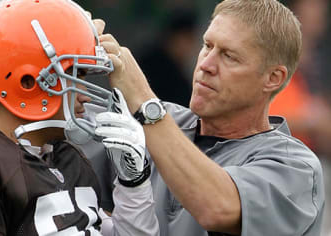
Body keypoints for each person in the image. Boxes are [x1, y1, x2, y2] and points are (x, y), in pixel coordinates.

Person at [0, 0, 159, 235]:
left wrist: (133, 184)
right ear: (28, 82)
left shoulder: (68, 161)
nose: (84, 94)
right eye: (76, 75)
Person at [91, 0, 325, 235]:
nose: (206, 64)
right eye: (207, 45)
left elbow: (218, 208)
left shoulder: (297, 168)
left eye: (229, 56)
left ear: (273, 78)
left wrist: (144, 102)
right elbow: (63, 134)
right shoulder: (159, 121)